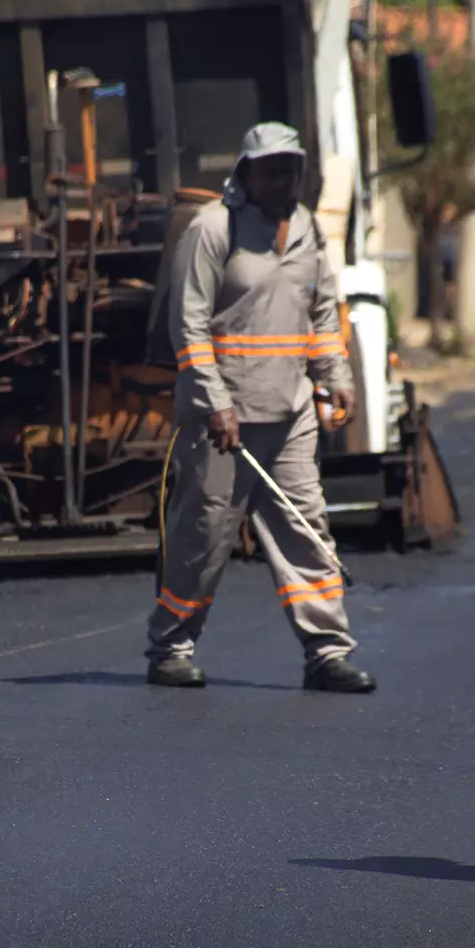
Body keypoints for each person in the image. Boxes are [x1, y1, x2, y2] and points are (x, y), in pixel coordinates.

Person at [146, 122, 376, 694]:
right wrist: (215, 401)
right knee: (204, 534)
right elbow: (189, 324)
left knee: (307, 526)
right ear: (245, 172)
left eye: (291, 169)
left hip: (291, 411)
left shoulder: (306, 230)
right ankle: (170, 646)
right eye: (272, 169)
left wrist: (335, 376)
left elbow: (322, 312)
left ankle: (327, 651)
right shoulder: (212, 229)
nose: (283, 180)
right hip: (223, 418)